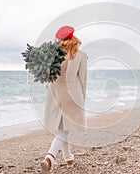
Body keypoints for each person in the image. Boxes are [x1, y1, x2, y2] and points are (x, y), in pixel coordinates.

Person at [41, 26, 88, 174]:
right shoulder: (81, 55)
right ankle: (50, 157)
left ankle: (69, 158)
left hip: (54, 93)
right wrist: (83, 98)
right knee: (65, 128)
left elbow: (47, 77)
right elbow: (83, 79)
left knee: (63, 126)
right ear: (74, 39)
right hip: (72, 94)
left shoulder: (53, 56)